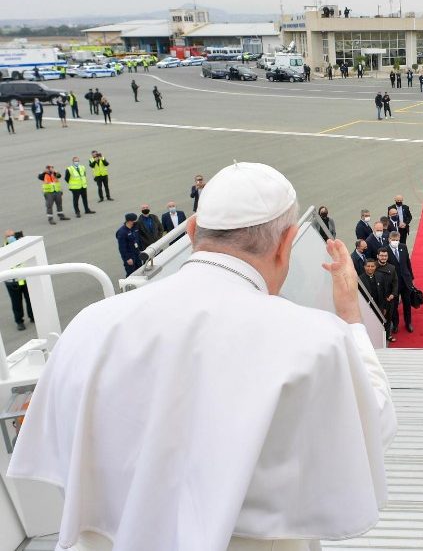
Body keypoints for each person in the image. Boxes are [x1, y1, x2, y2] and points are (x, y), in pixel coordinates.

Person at [10, 162, 398, 551]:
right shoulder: (315, 340)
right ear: (287, 243)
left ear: (192, 230)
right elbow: (372, 425)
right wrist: (350, 319)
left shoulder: (89, 325)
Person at [4, 230, 34, 331]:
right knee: (16, 303)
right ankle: (19, 321)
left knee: (30, 300)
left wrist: (22, 240)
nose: (11, 238)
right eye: (9, 236)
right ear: (6, 238)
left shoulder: (20, 245)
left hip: (25, 278)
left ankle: (32, 316)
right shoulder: (4, 249)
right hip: (12, 282)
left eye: (12, 236)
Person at [385, 231, 414, 333]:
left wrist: (411, 277)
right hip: (394, 284)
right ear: (389, 239)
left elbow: (407, 262)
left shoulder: (403, 247)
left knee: (407, 303)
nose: (395, 241)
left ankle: (408, 323)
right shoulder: (386, 251)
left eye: (397, 240)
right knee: (394, 305)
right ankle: (395, 324)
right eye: (393, 240)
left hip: (405, 281)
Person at [374, 248, 398, 342]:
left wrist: (393, 294)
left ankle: (387, 335)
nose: (383, 257)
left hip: (388, 299)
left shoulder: (392, 268)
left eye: (385, 256)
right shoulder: (372, 266)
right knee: (376, 318)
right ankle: (377, 336)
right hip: (376, 298)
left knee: (388, 318)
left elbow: (395, 282)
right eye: (381, 255)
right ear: (377, 256)